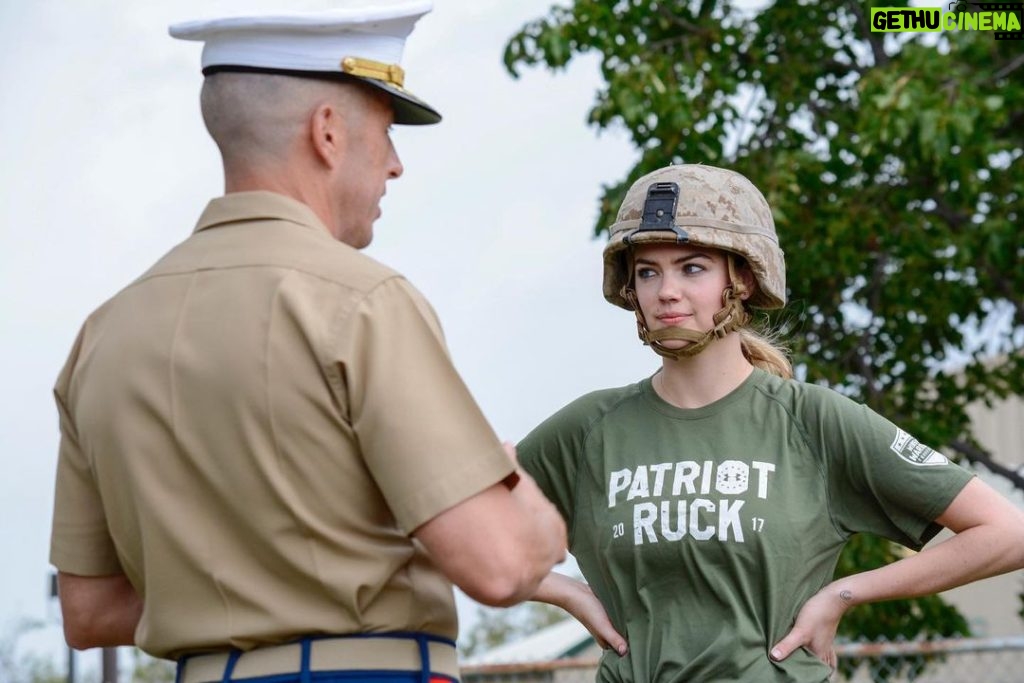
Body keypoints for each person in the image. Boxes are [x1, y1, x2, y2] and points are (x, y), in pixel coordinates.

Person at [47, 4, 567, 682]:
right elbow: (499, 564)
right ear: (327, 133)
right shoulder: (361, 301)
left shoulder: (102, 334)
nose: (397, 166)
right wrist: (518, 488)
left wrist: (241, 590)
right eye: (384, 132)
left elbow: (89, 609)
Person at [519, 163, 1024, 682]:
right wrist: (563, 591)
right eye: (648, 271)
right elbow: (443, 522)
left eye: (692, 267)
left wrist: (843, 594)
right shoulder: (589, 430)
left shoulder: (810, 419)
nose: (666, 290)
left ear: (741, 278)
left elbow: (1008, 532)